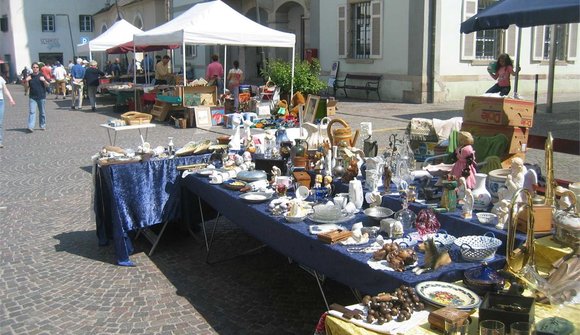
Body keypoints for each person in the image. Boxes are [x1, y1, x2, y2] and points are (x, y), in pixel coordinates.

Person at [25, 62, 50, 132]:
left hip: (41, 96)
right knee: (32, 112)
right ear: (32, 68)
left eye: (37, 67)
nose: (35, 69)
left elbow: (47, 85)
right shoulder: (30, 76)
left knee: (42, 112)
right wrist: (26, 81)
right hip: (32, 97)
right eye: (34, 67)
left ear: (39, 68)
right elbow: (26, 88)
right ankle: (30, 127)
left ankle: (42, 125)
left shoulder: (41, 75)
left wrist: (44, 80)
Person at [0, 73, 16, 148]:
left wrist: (11, 99)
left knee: (0, 122)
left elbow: (5, 89)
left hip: (1, 102)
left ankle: (0, 141)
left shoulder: (1, 79)